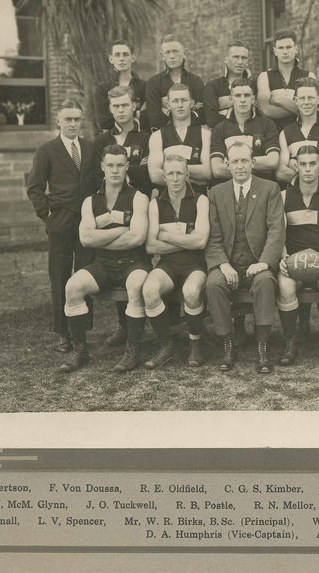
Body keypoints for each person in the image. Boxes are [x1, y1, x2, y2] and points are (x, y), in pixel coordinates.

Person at [57, 144, 150, 373]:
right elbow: (85, 239)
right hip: (103, 264)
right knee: (72, 287)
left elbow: (137, 238)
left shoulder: (139, 198)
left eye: (120, 165)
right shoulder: (90, 201)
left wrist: (100, 235)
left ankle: (132, 350)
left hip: (134, 262)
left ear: (127, 167)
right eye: (110, 165)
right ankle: (81, 350)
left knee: (136, 285)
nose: (115, 170)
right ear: (102, 167)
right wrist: (121, 229)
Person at [118, 156, 211, 372]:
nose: (175, 178)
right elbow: (151, 246)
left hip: (195, 265)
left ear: (187, 175)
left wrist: (166, 235)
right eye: (170, 173)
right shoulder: (155, 204)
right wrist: (186, 239)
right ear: (163, 177)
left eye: (179, 173)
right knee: (149, 289)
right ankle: (167, 344)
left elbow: (200, 242)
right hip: (168, 265)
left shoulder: (200, 200)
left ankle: (195, 344)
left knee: (191, 291)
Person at [205, 142, 286, 373]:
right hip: (228, 263)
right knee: (213, 284)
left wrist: (264, 263)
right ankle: (228, 345)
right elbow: (213, 235)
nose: (240, 166)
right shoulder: (216, 193)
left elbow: (276, 230)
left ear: (253, 163)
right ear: (227, 164)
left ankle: (262, 347)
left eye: (244, 161)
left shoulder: (270, 189)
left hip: (258, 261)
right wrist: (222, 264)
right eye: (235, 161)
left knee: (264, 282)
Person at [26, 99, 99, 353]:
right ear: (58, 120)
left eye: (77, 119)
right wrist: (48, 216)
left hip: (86, 221)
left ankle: (81, 328)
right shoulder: (47, 150)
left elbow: (96, 181)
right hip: (61, 221)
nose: (73, 124)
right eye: (68, 119)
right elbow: (35, 188)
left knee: (84, 272)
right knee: (60, 275)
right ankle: (63, 332)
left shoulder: (90, 148)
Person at [92, 86, 152, 347]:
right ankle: (123, 326)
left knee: (139, 262)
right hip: (112, 207)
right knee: (116, 259)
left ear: (134, 106)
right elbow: (97, 176)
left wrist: (130, 174)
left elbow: (150, 173)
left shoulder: (146, 137)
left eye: (125, 105)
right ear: (110, 109)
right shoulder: (101, 141)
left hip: (141, 205)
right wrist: (134, 170)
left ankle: (149, 322)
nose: (120, 110)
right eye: (115, 106)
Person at [277, 144, 319, 366]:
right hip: (294, 261)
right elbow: (279, 233)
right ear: (295, 165)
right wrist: (283, 258)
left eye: (312, 164)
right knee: (285, 286)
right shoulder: (283, 195)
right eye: (302, 164)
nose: (307, 169)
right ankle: (290, 341)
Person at [209, 77, 280, 182]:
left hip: (262, 185)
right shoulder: (220, 129)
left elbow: (273, 161)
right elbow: (217, 169)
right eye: (238, 95)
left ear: (253, 99)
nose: (242, 100)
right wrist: (258, 164)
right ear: (231, 98)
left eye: (247, 95)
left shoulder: (267, 124)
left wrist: (233, 163)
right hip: (231, 187)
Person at [147, 83, 212, 195]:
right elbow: (155, 175)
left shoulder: (205, 134)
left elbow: (207, 172)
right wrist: (195, 179)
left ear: (192, 103)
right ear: (168, 105)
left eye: (184, 100)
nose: (180, 105)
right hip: (167, 200)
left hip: (198, 199)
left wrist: (169, 170)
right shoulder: (157, 136)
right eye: (175, 101)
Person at [277, 77, 319, 185]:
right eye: (302, 98)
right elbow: (281, 173)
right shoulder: (285, 133)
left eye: (310, 98)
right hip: (295, 193)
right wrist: (316, 168)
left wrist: (294, 163)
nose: (306, 102)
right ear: (296, 100)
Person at [257, 30, 313, 134]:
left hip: (302, 134)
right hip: (273, 135)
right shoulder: (264, 77)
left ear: (296, 49)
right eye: (281, 48)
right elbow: (265, 110)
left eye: (288, 47)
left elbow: (313, 110)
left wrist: (279, 100)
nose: (285, 52)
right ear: (275, 51)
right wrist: (300, 110)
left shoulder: (309, 76)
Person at [145, 37, 205, 130]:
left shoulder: (196, 81)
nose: (172, 56)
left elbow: (201, 114)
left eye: (175, 51)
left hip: (192, 132)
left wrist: (166, 109)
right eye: (167, 52)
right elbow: (154, 118)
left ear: (185, 53)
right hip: (165, 133)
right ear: (162, 56)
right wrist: (187, 110)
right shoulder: (153, 83)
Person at [92, 39, 146, 133]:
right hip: (112, 138)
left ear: (132, 58)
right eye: (117, 55)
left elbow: (148, 119)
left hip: (139, 136)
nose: (121, 59)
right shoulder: (102, 88)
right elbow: (104, 122)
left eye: (125, 54)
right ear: (111, 59)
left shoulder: (144, 86)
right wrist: (137, 114)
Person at [203, 41, 251, 127]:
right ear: (226, 59)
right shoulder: (212, 86)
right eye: (235, 57)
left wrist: (225, 112)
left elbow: (260, 118)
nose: (240, 62)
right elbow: (211, 120)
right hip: (223, 134)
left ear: (247, 62)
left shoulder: (255, 86)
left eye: (244, 58)